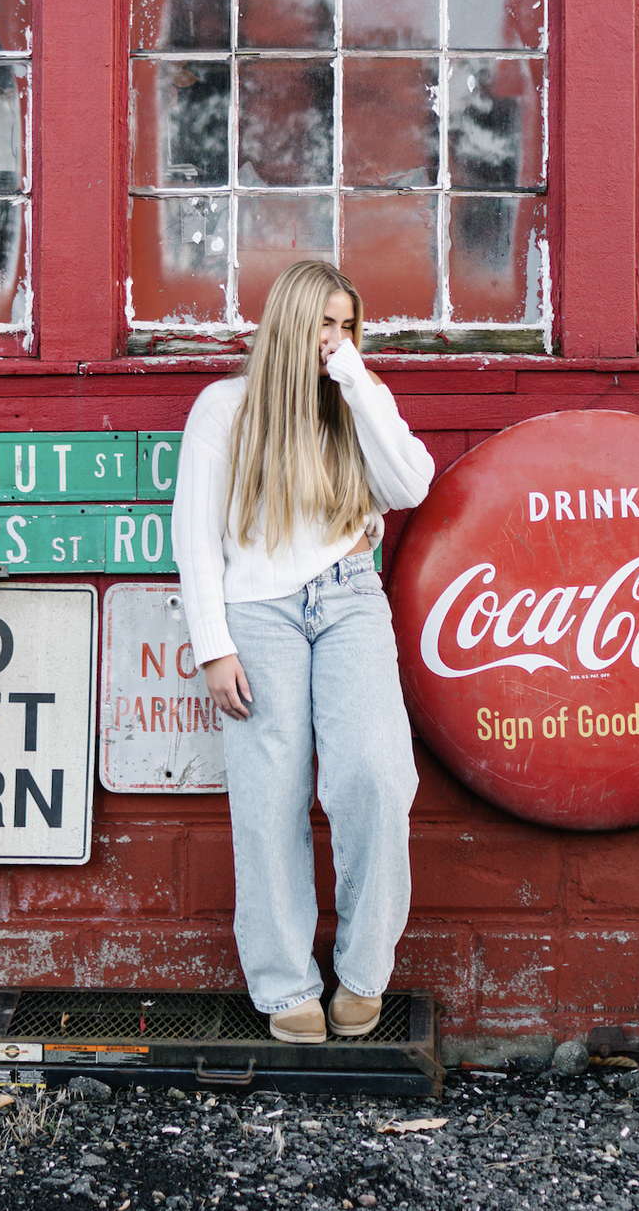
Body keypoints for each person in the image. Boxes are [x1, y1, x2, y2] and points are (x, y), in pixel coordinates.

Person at [174, 259, 437, 1044]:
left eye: (348, 324)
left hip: (351, 592)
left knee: (377, 774)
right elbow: (194, 534)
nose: (337, 338)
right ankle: (287, 981)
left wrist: (355, 381)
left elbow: (411, 484)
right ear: (290, 321)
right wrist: (212, 645)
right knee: (269, 794)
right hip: (257, 611)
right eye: (324, 323)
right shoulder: (225, 407)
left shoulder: (357, 399)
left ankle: (362, 973)